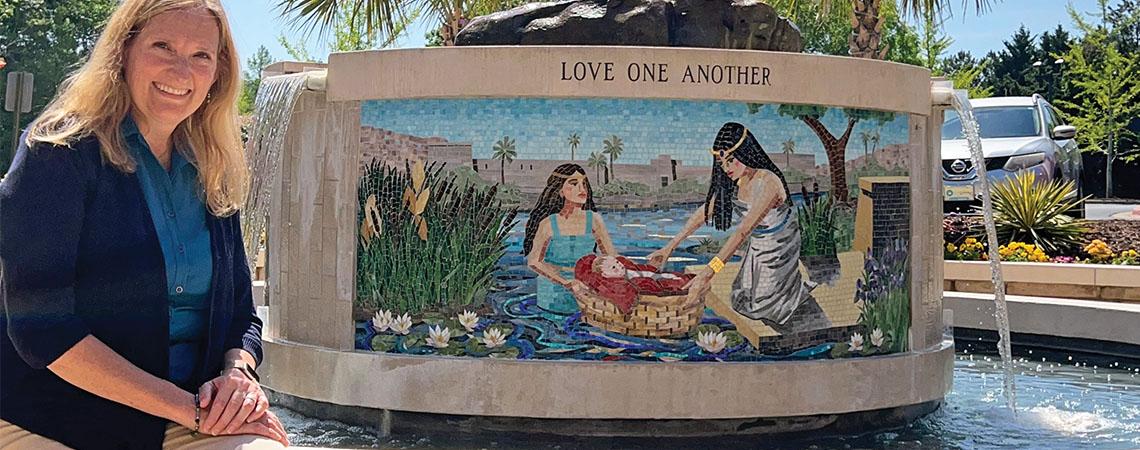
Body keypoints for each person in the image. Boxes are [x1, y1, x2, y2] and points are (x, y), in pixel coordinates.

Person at [0, 1, 289, 448]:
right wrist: (187, 409)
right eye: (163, 46)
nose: (181, 69)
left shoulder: (214, 166)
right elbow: (42, 328)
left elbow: (240, 315)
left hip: (185, 411)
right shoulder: (58, 151)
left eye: (201, 56)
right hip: (56, 412)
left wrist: (238, 375)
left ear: (218, 73)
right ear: (124, 51)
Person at [647, 122, 830, 335]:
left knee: (767, 304)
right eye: (722, 163)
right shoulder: (736, 180)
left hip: (781, 245)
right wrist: (670, 246)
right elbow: (705, 212)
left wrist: (708, 272)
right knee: (744, 300)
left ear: (745, 153)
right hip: (758, 244)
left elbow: (742, 232)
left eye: (731, 160)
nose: (727, 168)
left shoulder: (768, 182)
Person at [523, 164, 617, 315]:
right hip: (553, 294)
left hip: (587, 291)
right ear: (560, 190)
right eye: (574, 184)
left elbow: (611, 256)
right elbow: (533, 262)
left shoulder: (594, 219)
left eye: (584, 184)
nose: (582, 189)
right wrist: (566, 282)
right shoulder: (548, 223)